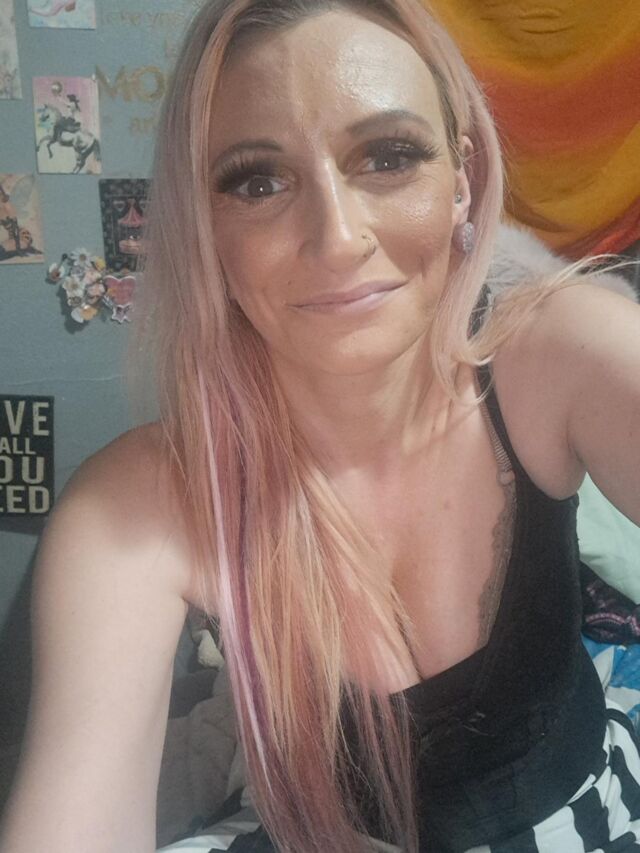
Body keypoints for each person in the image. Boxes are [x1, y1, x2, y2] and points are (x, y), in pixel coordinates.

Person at [1, 0, 639, 851]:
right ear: (206, 226)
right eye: (257, 181)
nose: (337, 239)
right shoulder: (137, 504)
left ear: (461, 179)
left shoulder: (561, 350)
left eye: (389, 156)